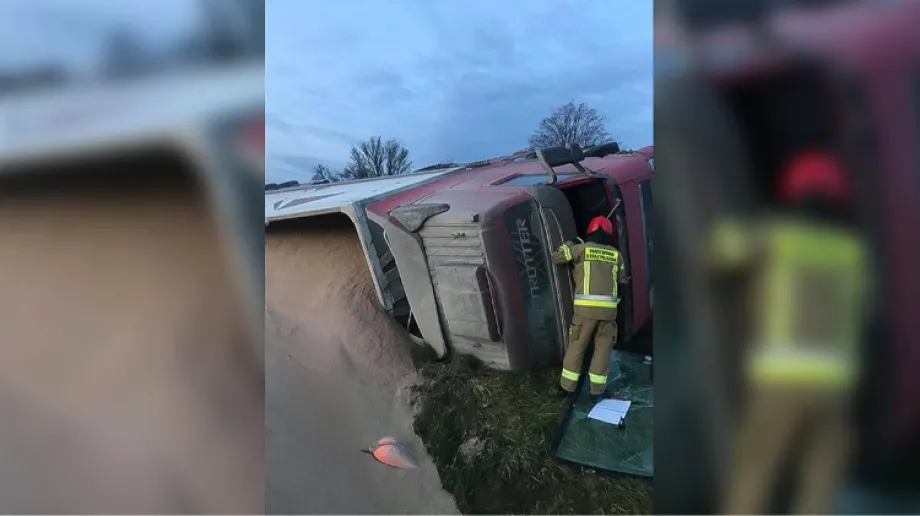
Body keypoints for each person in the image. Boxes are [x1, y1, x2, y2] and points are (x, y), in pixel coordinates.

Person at [709, 150, 870, 514]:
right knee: (819, 490)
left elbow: (717, 253)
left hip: (780, 382)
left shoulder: (775, 236)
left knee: (755, 475)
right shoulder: (853, 252)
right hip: (837, 388)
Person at [551, 215, 628, 401]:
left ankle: (567, 388)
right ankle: (597, 391)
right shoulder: (616, 254)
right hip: (609, 312)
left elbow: (556, 257)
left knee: (577, 346)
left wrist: (572, 241)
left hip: (585, 312)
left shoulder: (582, 249)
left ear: (590, 231)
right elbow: (622, 284)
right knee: (602, 350)